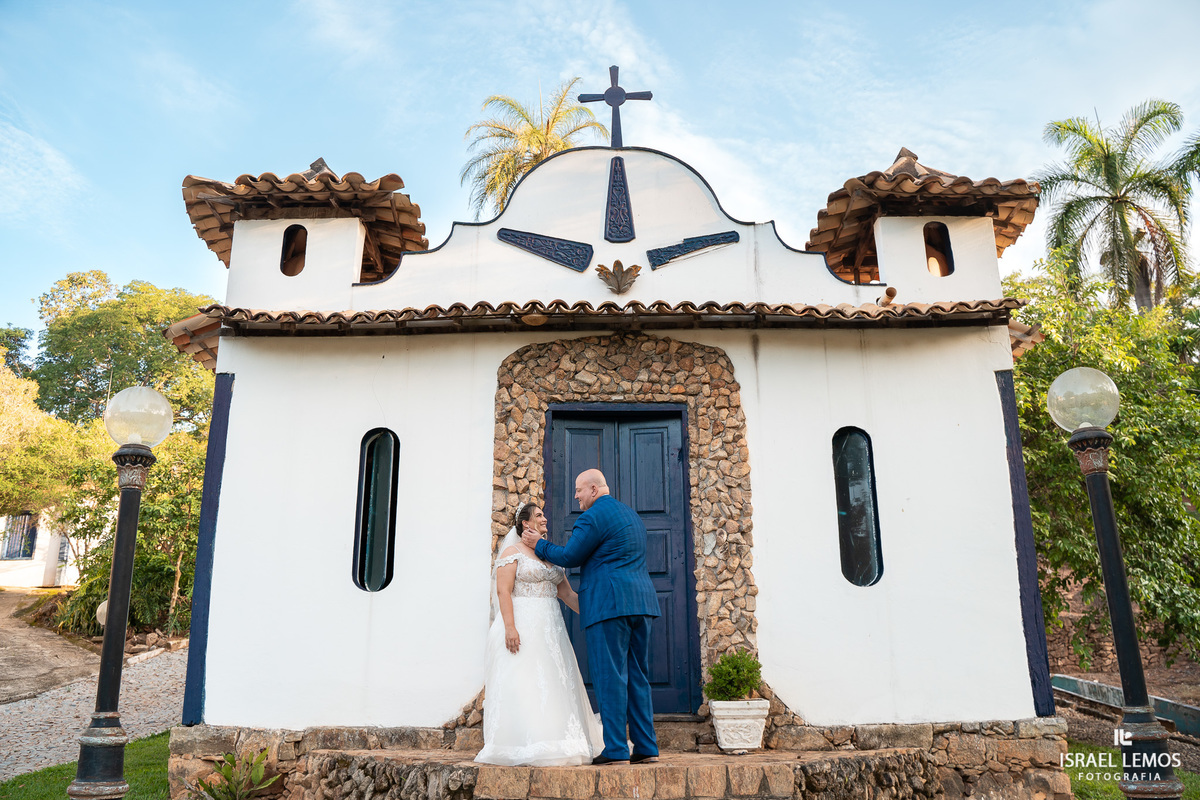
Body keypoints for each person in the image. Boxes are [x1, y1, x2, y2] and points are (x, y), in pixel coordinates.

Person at [522, 469, 660, 765]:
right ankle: (646, 746)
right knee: (637, 676)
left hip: (609, 606)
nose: (576, 496)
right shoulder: (631, 515)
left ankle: (616, 750)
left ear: (594, 489)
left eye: (579, 490)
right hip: (642, 604)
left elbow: (571, 556)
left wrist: (538, 545)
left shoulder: (592, 517)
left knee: (609, 676)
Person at [475, 503, 604, 766]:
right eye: (539, 515)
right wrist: (510, 627)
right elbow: (503, 591)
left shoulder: (549, 554)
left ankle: (559, 738)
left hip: (551, 628)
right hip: (522, 625)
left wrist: (597, 614)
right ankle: (526, 742)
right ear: (526, 524)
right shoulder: (513, 552)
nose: (545, 518)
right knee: (525, 681)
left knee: (554, 679)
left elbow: (567, 594)